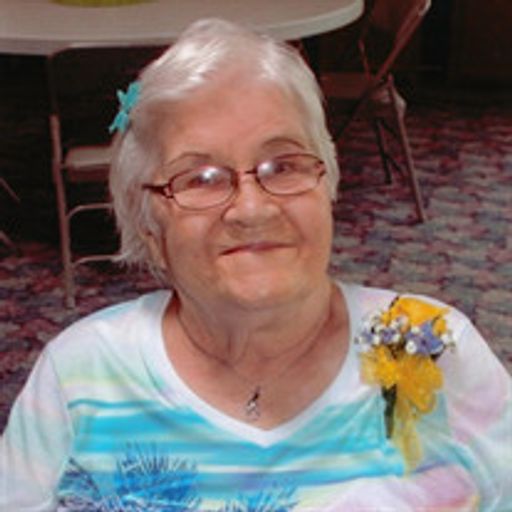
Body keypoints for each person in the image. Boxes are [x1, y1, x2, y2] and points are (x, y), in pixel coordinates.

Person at [1, 18, 511, 511]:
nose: (251, 209)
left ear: (328, 186)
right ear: (149, 231)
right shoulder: (81, 377)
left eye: (283, 166)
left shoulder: (433, 348)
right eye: (201, 178)